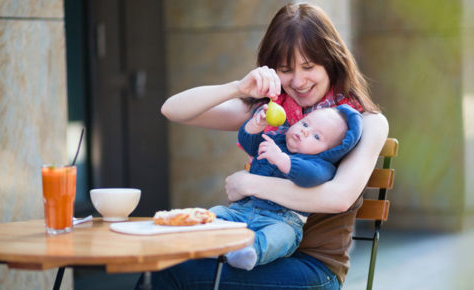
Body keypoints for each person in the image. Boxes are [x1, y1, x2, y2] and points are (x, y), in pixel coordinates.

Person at [136, 2, 388, 289]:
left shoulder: (365, 122)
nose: (298, 81)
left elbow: (338, 197)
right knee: (161, 262)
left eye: (308, 67)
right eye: (285, 69)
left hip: (313, 267)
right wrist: (238, 88)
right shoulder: (269, 111)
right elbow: (173, 109)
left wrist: (250, 184)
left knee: (170, 273)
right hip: (252, 250)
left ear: (331, 62)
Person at [212, 104, 362, 271]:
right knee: (217, 213)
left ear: (330, 152)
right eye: (305, 124)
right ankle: (205, 236)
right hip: (243, 209)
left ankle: (249, 251)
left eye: (317, 137)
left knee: (282, 237)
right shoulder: (276, 141)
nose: (305, 131)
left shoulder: (321, 165)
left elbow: (309, 176)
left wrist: (281, 159)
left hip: (282, 220)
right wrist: (256, 125)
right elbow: (250, 145)